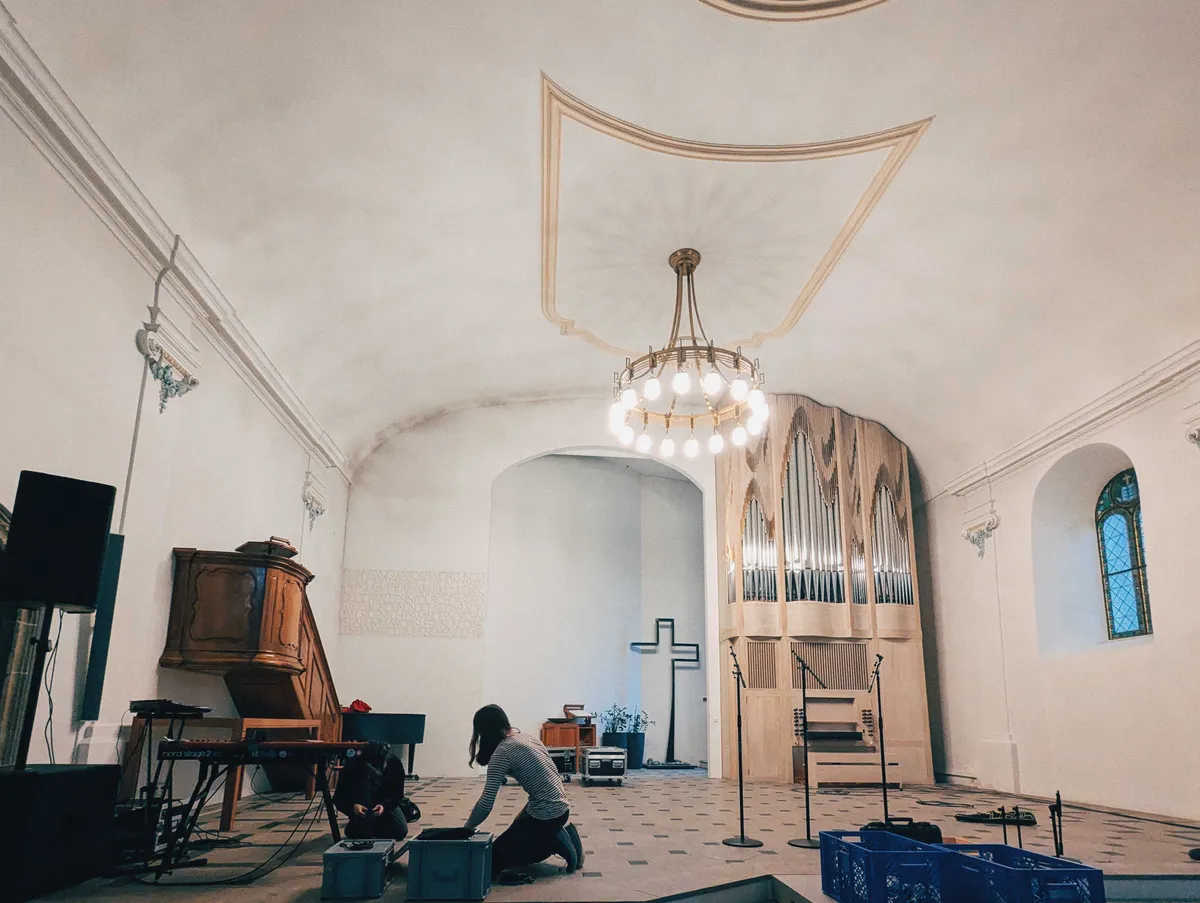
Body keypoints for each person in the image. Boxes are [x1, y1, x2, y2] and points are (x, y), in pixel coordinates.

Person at [464, 704, 584, 882]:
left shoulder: (503, 752)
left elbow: (485, 804)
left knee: (490, 861)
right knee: (517, 830)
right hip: (561, 808)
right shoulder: (526, 737)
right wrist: (521, 820)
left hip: (546, 817)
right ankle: (557, 834)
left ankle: (555, 842)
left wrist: (466, 829)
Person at [333, 746, 410, 842]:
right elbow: (340, 796)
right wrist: (353, 806)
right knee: (360, 832)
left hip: (384, 806)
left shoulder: (393, 761)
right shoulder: (354, 762)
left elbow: (396, 794)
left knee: (399, 831)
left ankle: (370, 826)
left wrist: (383, 805)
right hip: (361, 805)